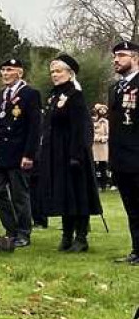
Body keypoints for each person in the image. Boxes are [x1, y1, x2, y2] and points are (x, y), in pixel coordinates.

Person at [38, 55, 102, 252]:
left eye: (59, 71)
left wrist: (77, 155)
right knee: (64, 195)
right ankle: (66, 235)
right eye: (52, 72)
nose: (54, 75)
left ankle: (81, 237)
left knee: (78, 194)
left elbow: (82, 127)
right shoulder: (53, 96)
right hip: (57, 153)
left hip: (74, 153)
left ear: (70, 73)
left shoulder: (75, 95)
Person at [0, 58, 42, 248]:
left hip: (19, 152)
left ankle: (23, 232)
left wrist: (29, 154)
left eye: (9, 70)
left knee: (19, 195)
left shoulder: (30, 94)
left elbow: (34, 126)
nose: (5, 73)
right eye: (3, 70)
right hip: (1, 153)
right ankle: (10, 229)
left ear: (19, 73)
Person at [109, 40, 139, 264]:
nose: (116, 60)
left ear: (135, 57)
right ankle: (137, 250)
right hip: (121, 158)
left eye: (121, 55)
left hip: (137, 155)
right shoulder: (115, 88)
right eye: (115, 56)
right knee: (132, 207)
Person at [92, 104, 110, 190]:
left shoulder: (106, 122)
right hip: (94, 145)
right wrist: (94, 138)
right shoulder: (93, 121)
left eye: (104, 110)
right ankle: (95, 185)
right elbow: (90, 132)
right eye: (100, 110)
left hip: (102, 146)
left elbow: (108, 134)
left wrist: (102, 139)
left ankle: (103, 185)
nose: (102, 111)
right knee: (94, 166)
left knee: (103, 166)